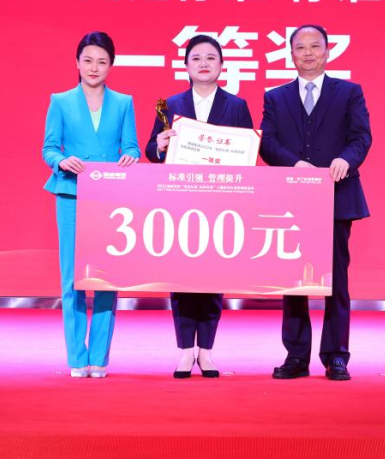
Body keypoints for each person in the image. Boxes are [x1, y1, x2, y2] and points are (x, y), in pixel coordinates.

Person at [259, 25, 372, 381]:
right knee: (294, 281)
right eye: (300, 47)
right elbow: (267, 143)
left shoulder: (349, 92)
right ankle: (296, 356)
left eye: (314, 46)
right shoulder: (276, 97)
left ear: (327, 51)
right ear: (290, 54)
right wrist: (294, 163)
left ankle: (336, 356)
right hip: (292, 200)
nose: (307, 53)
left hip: (337, 196)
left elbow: (361, 137)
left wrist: (345, 160)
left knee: (335, 280)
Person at [145, 34, 254, 379]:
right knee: (180, 278)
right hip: (180, 202)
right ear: (186, 66)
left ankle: (206, 351)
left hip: (222, 204)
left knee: (213, 279)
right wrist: (159, 145)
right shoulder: (169, 104)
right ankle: (184, 351)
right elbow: (151, 151)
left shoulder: (237, 106)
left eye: (211, 58)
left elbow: (248, 155)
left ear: (222, 65)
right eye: (196, 58)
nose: (204, 63)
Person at [42, 31, 140, 379]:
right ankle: (76, 357)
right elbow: (49, 148)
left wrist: (130, 157)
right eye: (88, 60)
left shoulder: (123, 102)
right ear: (77, 62)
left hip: (110, 198)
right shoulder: (61, 101)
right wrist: (61, 161)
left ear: (111, 65)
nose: (94, 67)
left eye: (101, 61)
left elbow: (131, 146)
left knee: (106, 279)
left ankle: (99, 357)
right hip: (71, 194)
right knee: (71, 279)